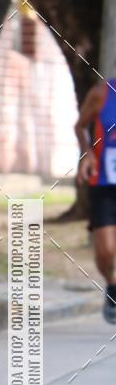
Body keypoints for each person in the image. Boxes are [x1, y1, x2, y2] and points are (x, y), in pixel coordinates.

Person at [76, 78, 116, 323]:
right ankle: (112, 285)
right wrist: (87, 152)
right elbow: (80, 126)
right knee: (106, 250)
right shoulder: (102, 94)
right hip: (103, 184)